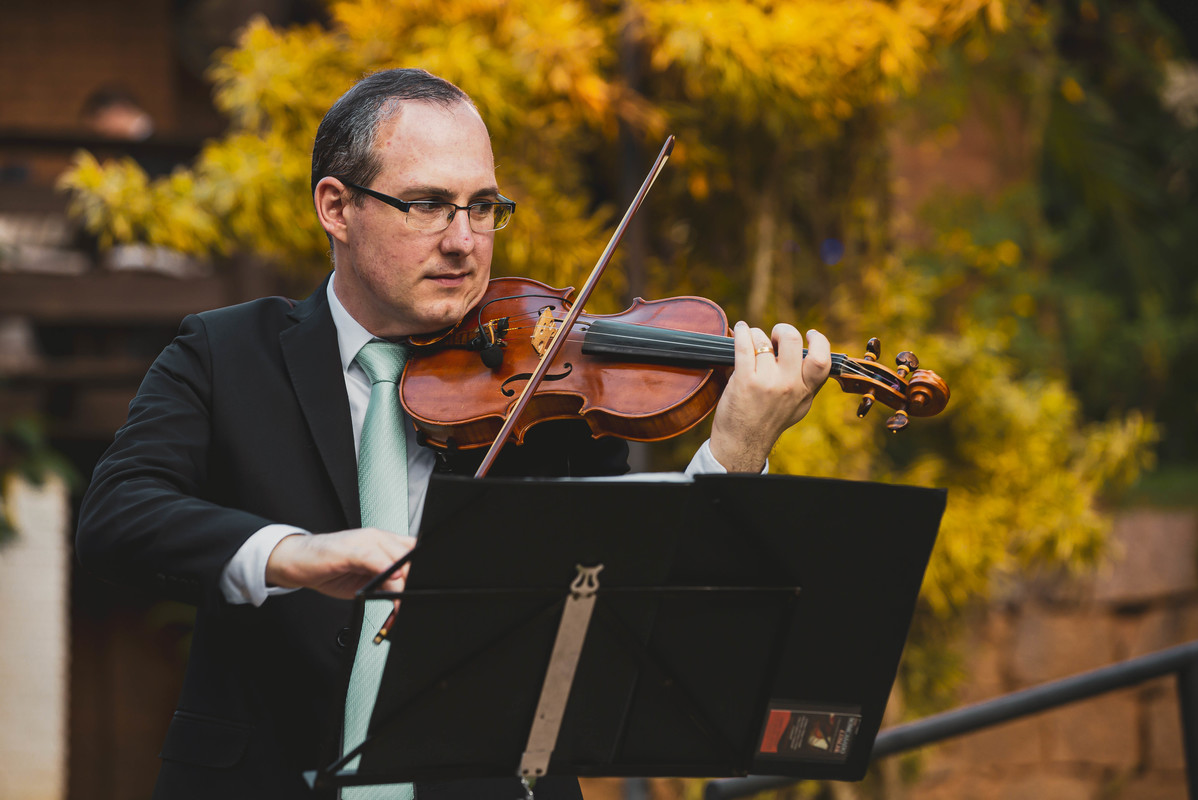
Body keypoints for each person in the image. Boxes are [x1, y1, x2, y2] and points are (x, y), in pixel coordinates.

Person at [75, 68, 831, 800]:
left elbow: (647, 597)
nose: (465, 241)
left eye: (483, 208)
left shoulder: (548, 387)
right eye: (429, 205)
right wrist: (294, 554)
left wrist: (735, 452)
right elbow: (119, 515)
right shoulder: (225, 352)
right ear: (336, 207)